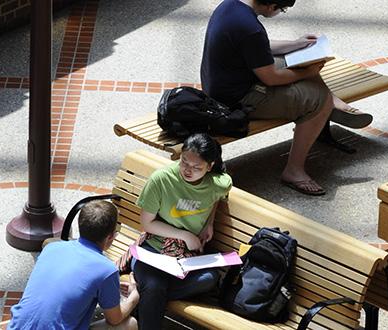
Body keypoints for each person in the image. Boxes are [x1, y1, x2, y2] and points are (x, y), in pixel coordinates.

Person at [200, 0, 371, 196]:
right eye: (282, 9)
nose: (281, 12)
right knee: (317, 100)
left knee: (300, 58)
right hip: (237, 99)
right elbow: (271, 78)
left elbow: (256, 46)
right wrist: (307, 73)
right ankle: (294, 170)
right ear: (271, 5)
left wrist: (297, 44)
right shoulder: (250, 27)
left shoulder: (230, 6)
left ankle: (330, 100)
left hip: (222, 84)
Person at [128, 133, 233, 329]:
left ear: (209, 167)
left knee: (209, 279)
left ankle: (140, 295)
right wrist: (185, 235)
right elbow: (147, 223)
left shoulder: (218, 182)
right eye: (184, 162)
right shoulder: (161, 180)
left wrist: (209, 222)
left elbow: (218, 196)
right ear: (181, 155)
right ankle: (148, 296)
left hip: (187, 257)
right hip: (153, 249)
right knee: (155, 285)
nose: (187, 170)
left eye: (196, 167)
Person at [9, 200, 139, 329]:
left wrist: (108, 286)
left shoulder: (51, 248)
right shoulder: (106, 270)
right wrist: (134, 296)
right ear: (110, 236)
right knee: (130, 324)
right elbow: (114, 319)